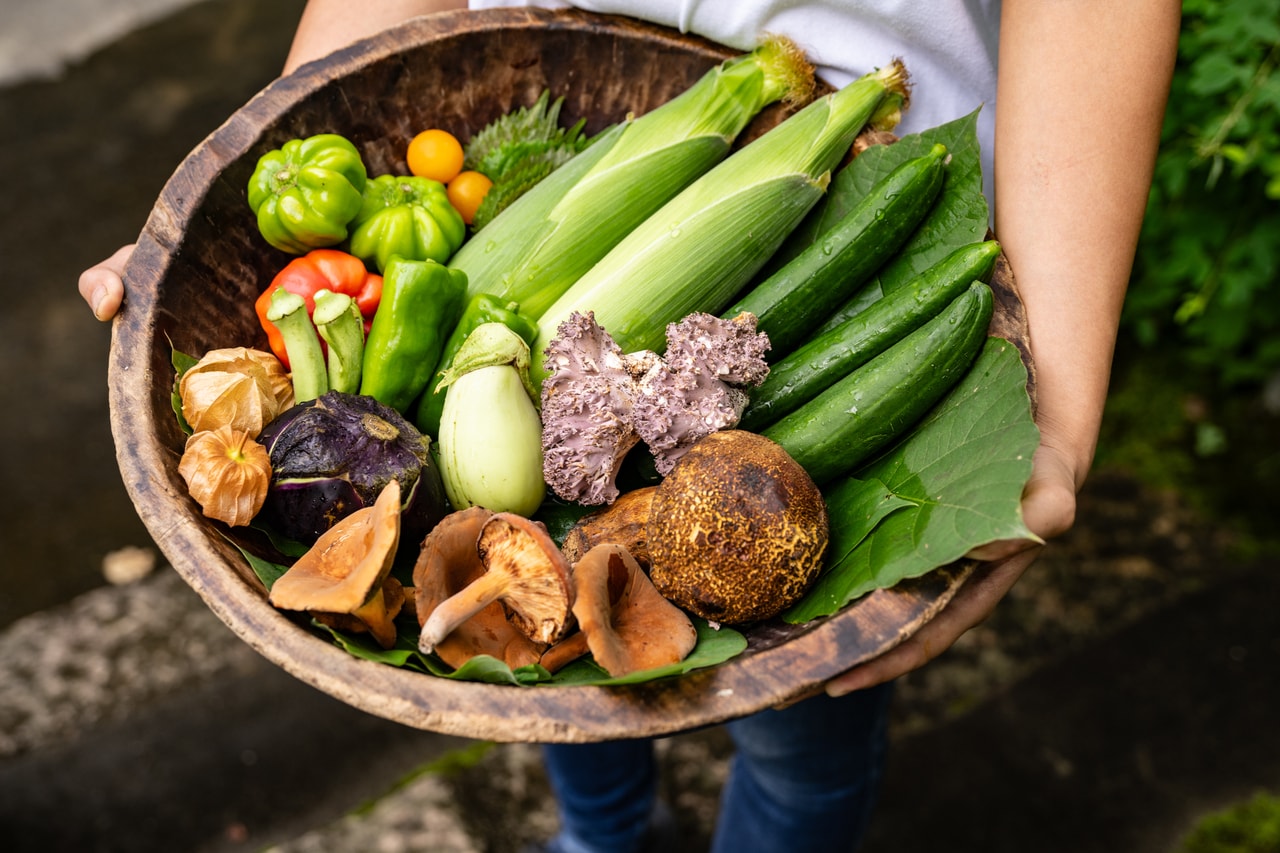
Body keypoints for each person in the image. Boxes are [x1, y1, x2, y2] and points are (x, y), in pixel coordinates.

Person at [79, 1, 1181, 850]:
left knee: (808, 729)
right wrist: (254, 184)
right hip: (543, 135)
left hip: (864, 184)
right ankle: (599, 832)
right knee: (538, 625)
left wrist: (1056, 415)